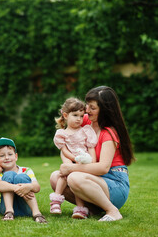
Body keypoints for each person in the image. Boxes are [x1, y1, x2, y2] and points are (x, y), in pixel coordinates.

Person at [50, 86, 136, 221]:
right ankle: (92, 209)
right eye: (87, 106)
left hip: (114, 182)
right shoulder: (86, 120)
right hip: (93, 177)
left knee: (74, 177)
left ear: (105, 111)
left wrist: (71, 168)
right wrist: (67, 159)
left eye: (92, 108)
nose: (86, 111)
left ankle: (112, 210)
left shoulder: (108, 133)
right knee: (55, 177)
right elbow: (67, 132)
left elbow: (103, 168)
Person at [50, 97, 97, 217]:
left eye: (81, 116)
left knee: (76, 182)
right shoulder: (62, 134)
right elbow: (64, 151)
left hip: (84, 162)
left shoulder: (86, 131)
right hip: (71, 160)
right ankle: (56, 202)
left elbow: (91, 147)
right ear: (65, 115)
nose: (79, 119)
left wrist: (91, 161)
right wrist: (73, 160)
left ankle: (80, 209)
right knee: (65, 175)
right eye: (75, 115)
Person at [0, 137, 47, 224]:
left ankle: (37, 213)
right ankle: (9, 212)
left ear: (16, 156)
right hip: (6, 208)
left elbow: (37, 187)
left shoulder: (26, 170)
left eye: (10, 154)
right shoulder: (0, 173)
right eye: (2, 156)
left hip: (25, 207)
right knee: (9, 175)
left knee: (20, 177)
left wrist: (29, 186)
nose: (6, 158)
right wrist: (15, 188)